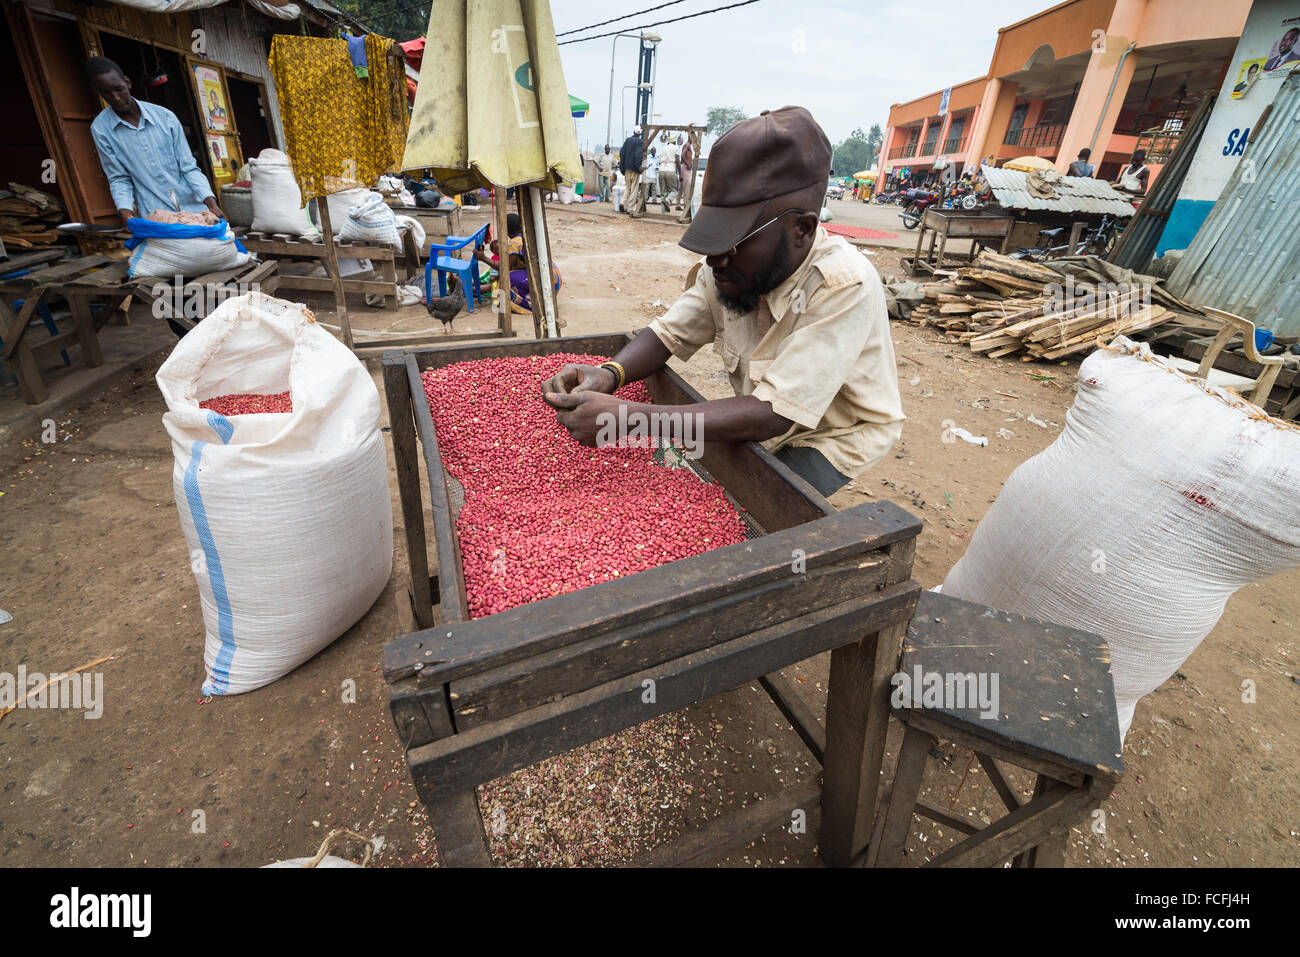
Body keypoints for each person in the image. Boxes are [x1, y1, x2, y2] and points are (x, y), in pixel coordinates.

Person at [541, 106, 905, 497]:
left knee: (757, 500)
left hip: (836, 431)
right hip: (765, 412)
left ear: (801, 229)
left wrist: (630, 420)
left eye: (732, 244)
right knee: (724, 484)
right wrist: (611, 373)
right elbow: (669, 333)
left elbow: (774, 414)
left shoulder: (842, 284)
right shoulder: (729, 266)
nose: (716, 260)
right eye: (714, 242)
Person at [86, 57, 224, 227]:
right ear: (97, 91)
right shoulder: (101, 129)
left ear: (127, 83)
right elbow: (119, 178)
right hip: (156, 216)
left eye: (119, 89)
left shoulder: (165, 118)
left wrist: (212, 205)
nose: (116, 98)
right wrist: (126, 214)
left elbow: (188, 168)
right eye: (106, 93)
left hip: (194, 211)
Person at [473, 212, 561, 315]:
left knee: (505, 279)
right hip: (554, 278)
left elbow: (505, 267)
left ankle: (527, 302)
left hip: (543, 280)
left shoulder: (515, 243)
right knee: (500, 277)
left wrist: (483, 258)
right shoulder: (528, 235)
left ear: (506, 230)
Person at [620, 125, 645, 218]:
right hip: (635, 169)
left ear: (634, 132)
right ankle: (630, 209)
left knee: (628, 188)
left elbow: (622, 152)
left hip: (627, 168)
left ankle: (622, 202)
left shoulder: (627, 140)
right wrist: (639, 166)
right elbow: (638, 155)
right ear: (640, 134)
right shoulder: (640, 142)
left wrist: (623, 166)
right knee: (634, 189)